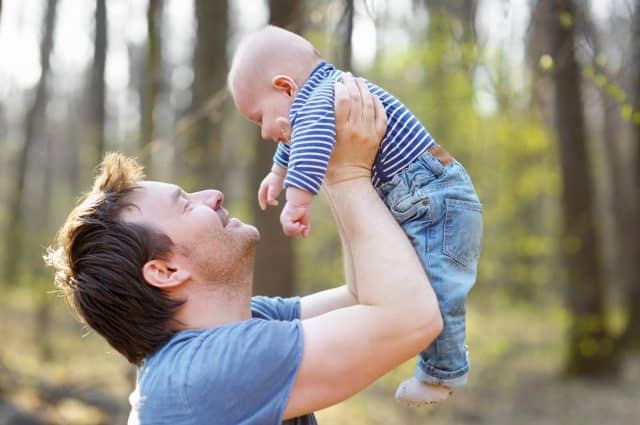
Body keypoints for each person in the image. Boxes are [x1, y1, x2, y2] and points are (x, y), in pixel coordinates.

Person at [45, 76, 443, 424]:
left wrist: (325, 158)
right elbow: (411, 317)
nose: (213, 196)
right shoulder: (203, 373)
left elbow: (368, 297)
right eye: (186, 204)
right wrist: (347, 173)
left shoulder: (238, 327)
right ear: (165, 271)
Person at [228, 25, 483, 405]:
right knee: (421, 282)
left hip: (433, 197)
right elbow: (296, 135)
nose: (265, 132)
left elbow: (310, 142)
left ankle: (442, 372)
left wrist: (297, 202)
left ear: (285, 88)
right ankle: (440, 368)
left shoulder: (321, 100)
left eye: (258, 118)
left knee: (439, 288)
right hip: (420, 196)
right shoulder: (318, 98)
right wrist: (278, 173)